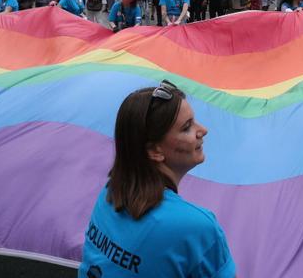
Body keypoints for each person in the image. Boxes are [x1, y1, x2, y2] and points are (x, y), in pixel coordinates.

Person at [78, 80, 235, 278]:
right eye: (187, 127)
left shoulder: (109, 193)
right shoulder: (197, 227)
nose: (203, 130)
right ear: (154, 150)